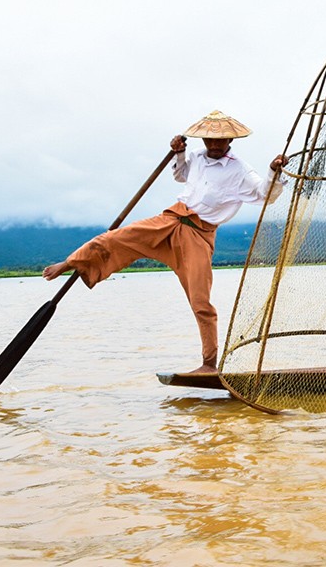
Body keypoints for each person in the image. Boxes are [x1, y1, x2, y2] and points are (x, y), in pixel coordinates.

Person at [43, 110, 289, 374]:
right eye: (210, 140)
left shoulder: (239, 169)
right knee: (115, 238)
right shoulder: (196, 157)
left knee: (200, 300)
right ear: (204, 140)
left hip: (199, 235)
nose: (215, 145)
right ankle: (70, 262)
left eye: (221, 140)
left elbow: (265, 194)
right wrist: (179, 153)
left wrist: (273, 170)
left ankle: (209, 364)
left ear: (231, 141)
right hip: (171, 219)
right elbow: (181, 175)